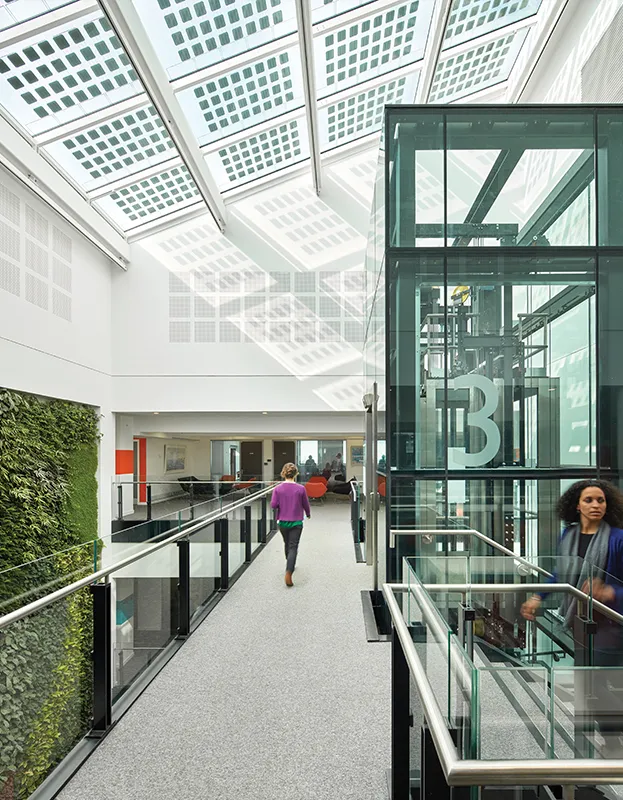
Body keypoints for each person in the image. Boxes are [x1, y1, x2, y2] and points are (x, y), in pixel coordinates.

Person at [521, 479, 623, 754]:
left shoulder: (618, 539)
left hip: (611, 622)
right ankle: (609, 739)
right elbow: (561, 573)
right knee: (589, 682)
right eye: (589, 500)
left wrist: (610, 592)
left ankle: (614, 741)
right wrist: (537, 597)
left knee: (599, 682)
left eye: (600, 500)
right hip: (580, 620)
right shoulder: (569, 536)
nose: (595, 505)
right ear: (576, 505)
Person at [271, 462, 311, 587]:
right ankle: (289, 570)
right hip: (297, 522)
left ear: (283, 473)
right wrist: (308, 514)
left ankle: (289, 562)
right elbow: (305, 504)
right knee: (293, 546)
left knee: (287, 543)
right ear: (296, 474)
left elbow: (273, 505)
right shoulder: (301, 489)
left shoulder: (277, 489)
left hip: (282, 522)